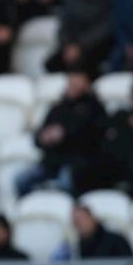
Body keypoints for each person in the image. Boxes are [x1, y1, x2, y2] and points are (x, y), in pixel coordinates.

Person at [16, 68, 107, 197]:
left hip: (78, 163)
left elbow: (93, 138)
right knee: (21, 180)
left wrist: (64, 135)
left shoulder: (95, 109)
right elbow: (38, 137)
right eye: (71, 81)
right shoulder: (57, 109)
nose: (73, 85)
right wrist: (43, 137)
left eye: (78, 81)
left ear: (87, 84)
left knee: (65, 182)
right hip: (51, 162)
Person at [45, 0, 111, 74]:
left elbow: (106, 27)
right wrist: (68, 46)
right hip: (72, 47)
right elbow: (64, 27)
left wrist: (80, 45)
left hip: (96, 48)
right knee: (51, 64)